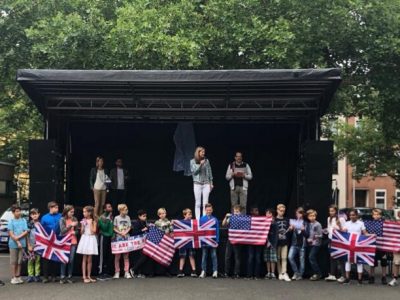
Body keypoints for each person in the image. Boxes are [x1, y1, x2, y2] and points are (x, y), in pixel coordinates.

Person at [342, 209, 368, 285]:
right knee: (348, 261)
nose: (352, 216)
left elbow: (365, 233)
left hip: (358, 245)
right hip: (349, 245)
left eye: (353, 215)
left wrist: (371, 235)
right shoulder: (346, 223)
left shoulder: (361, 223)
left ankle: (360, 279)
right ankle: (347, 279)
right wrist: (339, 228)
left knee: (359, 262)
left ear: (357, 215)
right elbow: (343, 232)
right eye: (350, 215)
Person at [41, 201, 62, 283]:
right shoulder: (44, 217)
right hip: (47, 240)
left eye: (57, 207)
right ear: (50, 208)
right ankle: (45, 277)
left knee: (55, 258)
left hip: (57, 239)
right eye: (55, 207)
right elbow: (41, 229)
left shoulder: (61, 216)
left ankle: (54, 276)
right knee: (46, 258)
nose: (57, 209)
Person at [190, 146, 213, 219]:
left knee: (205, 203)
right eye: (202, 152)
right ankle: (197, 219)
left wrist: (211, 183)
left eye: (204, 152)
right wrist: (200, 165)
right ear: (198, 152)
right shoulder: (192, 161)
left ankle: (203, 219)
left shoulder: (207, 160)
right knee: (198, 203)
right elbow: (194, 173)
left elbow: (209, 172)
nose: (204, 153)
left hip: (206, 183)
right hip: (197, 184)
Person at [77, 206, 98, 284]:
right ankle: (84, 276)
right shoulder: (83, 220)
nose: (84, 213)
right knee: (84, 258)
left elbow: (93, 231)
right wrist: (83, 225)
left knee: (90, 259)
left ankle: (89, 276)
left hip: (91, 238)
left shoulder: (94, 221)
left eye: (85, 212)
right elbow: (81, 232)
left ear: (90, 213)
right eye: (83, 212)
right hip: (85, 238)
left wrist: (90, 223)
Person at [324, 205, 346, 283]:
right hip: (331, 239)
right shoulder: (329, 218)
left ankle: (344, 276)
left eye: (332, 211)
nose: (331, 212)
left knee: (341, 258)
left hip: (339, 240)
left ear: (336, 211)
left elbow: (345, 231)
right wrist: (325, 231)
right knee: (332, 257)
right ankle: (332, 275)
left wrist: (339, 226)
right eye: (330, 211)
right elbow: (329, 229)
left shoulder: (341, 219)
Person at [8, 204, 28, 284]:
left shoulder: (23, 220)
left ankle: (18, 276)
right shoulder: (11, 222)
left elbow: (26, 231)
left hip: (22, 244)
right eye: (17, 211)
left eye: (19, 211)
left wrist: (18, 238)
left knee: (20, 261)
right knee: (14, 261)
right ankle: (13, 277)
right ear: (13, 212)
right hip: (13, 244)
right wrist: (17, 241)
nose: (19, 212)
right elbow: (11, 234)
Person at [367, 208, 387, 285]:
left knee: (383, 261)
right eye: (374, 214)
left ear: (381, 215)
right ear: (372, 215)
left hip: (382, 245)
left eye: (378, 214)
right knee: (372, 261)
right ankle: (372, 276)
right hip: (373, 245)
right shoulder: (369, 223)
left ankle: (384, 276)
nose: (376, 216)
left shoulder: (384, 223)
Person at [59, 205, 79, 284]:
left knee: (71, 259)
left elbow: (77, 230)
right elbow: (63, 230)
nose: (72, 213)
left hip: (73, 241)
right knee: (64, 259)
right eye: (71, 212)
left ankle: (70, 276)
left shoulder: (74, 219)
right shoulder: (62, 219)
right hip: (64, 241)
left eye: (73, 212)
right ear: (66, 212)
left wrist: (76, 232)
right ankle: (62, 276)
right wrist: (71, 225)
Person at [288, 207, 308, 281]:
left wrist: (303, 230)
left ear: (302, 214)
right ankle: (296, 273)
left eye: (299, 213)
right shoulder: (293, 222)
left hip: (302, 245)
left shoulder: (305, 223)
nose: (298, 214)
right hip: (294, 243)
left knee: (302, 260)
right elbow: (289, 233)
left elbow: (307, 235)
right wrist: (290, 229)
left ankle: (300, 275)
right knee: (290, 257)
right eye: (297, 213)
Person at [222, 204, 242, 279]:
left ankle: (236, 273)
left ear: (240, 211)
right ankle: (226, 273)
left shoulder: (242, 218)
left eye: (237, 211)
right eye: (234, 210)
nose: (236, 212)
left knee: (237, 257)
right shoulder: (231, 217)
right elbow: (224, 224)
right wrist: (226, 217)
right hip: (230, 239)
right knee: (227, 256)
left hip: (238, 240)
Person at [113, 204, 132, 279]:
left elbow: (130, 227)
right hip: (118, 238)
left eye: (127, 209)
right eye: (125, 209)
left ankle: (126, 272)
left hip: (126, 238)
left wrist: (125, 232)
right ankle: (117, 272)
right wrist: (120, 233)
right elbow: (114, 228)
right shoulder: (116, 218)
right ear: (121, 210)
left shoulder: (128, 217)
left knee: (126, 256)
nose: (127, 211)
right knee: (117, 256)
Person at [199, 203, 219, 279]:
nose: (209, 211)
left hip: (213, 241)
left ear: (212, 210)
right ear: (205, 210)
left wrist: (217, 240)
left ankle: (215, 271)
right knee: (204, 256)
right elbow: (200, 230)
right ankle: (203, 271)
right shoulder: (202, 218)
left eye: (210, 210)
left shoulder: (215, 219)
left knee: (214, 256)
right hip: (204, 241)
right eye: (207, 210)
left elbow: (217, 230)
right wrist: (200, 240)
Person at [177, 208, 197, 278]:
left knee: (191, 256)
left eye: (191, 214)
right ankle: (180, 271)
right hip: (183, 242)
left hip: (191, 241)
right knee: (182, 256)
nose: (190, 216)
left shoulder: (193, 222)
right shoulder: (180, 222)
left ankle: (194, 271)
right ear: (184, 215)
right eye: (188, 214)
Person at [153, 208, 173, 277]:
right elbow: (161, 227)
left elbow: (171, 230)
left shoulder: (168, 221)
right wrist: (169, 223)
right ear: (159, 215)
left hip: (166, 241)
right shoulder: (157, 222)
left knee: (166, 256)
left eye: (164, 213)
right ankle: (153, 272)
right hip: (159, 240)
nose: (163, 215)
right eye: (161, 214)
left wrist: (171, 226)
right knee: (155, 255)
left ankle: (166, 271)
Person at [129, 209, 149, 278]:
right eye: (143, 216)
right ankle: (133, 269)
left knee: (143, 257)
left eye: (145, 216)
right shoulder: (137, 223)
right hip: (138, 243)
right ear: (139, 216)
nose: (145, 217)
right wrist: (143, 230)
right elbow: (134, 233)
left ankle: (139, 272)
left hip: (144, 242)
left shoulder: (144, 222)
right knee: (143, 257)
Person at [97, 203, 114, 280]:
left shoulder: (111, 216)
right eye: (108, 207)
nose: (110, 208)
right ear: (104, 209)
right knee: (103, 255)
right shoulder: (102, 217)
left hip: (110, 237)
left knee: (108, 254)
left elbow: (112, 227)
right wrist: (106, 221)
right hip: (103, 237)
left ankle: (106, 272)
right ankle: (100, 273)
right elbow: (103, 228)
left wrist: (113, 234)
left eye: (110, 207)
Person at [275, 204, 291, 282]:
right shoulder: (274, 220)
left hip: (285, 241)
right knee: (278, 258)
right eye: (280, 211)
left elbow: (289, 228)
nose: (282, 212)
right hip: (277, 242)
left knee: (284, 258)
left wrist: (291, 228)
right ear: (277, 210)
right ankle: (280, 273)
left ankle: (284, 272)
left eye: (283, 211)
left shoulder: (287, 219)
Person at [246, 206, 262, 279]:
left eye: (257, 210)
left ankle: (256, 275)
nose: (256, 212)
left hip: (258, 241)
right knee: (250, 257)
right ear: (251, 212)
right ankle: (249, 275)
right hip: (251, 241)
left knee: (258, 258)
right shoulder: (248, 219)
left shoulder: (261, 219)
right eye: (255, 211)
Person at [306, 209, 322, 281]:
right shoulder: (308, 224)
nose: (312, 217)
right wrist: (308, 239)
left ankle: (318, 273)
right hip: (310, 243)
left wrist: (316, 236)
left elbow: (321, 235)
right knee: (311, 258)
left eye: (313, 216)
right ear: (308, 217)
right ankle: (314, 273)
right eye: (310, 216)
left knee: (311, 257)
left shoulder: (318, 224)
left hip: (316, 244)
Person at [26, 208, 41, 283]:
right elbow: (27, 236)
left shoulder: (41, 224)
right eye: (33, 214)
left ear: (39, 214)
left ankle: (37, 275)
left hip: (38, 245)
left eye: (36, 214)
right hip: (31, 245)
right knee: (30, 260)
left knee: (38, 260)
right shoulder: (29, 224)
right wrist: (29, 245)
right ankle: (30, 275)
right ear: (31, 216)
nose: (34, 215)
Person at [264, 208, 278, 279]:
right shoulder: (264, 222)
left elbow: (276, 235)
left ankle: (273, 273)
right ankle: (268, 272)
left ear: (272, 215)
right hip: (266, 243)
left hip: (273, 243)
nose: (267, 214)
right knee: (267, 259)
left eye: (269, 213)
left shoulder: (275, 223)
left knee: (273, 259)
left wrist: (274, 244)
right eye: (266, 213)